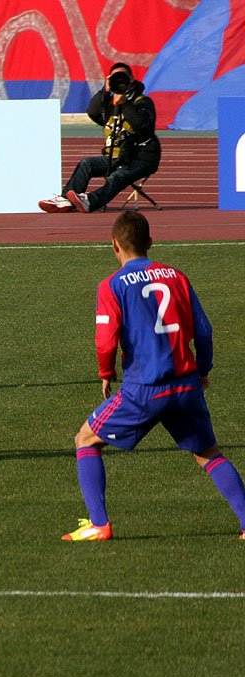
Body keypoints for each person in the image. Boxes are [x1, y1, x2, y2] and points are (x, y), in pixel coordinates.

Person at [63, 211, 245, 541]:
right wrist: (203, 370)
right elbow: (204, 331)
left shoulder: (112, 285)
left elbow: (105, 340)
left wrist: (106, 372)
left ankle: (99, 524)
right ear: (150, 241)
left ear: (114, 244)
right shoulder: (177, 276)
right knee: (207, 453)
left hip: (144, 389)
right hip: (186, 384)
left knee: (86, 439)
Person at [39, 63, 161, 214]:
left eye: (123, 77)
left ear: (131, 79)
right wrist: (105, 90)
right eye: (115, 77)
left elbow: (143, 127)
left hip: (141, 157)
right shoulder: (110, 103)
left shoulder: (142, 102)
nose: (119, 81)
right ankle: (65, 200)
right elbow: (93, 112)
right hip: (117, 156)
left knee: (117, 176)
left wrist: (125, 104)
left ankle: (90, 201)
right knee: (86, 164)